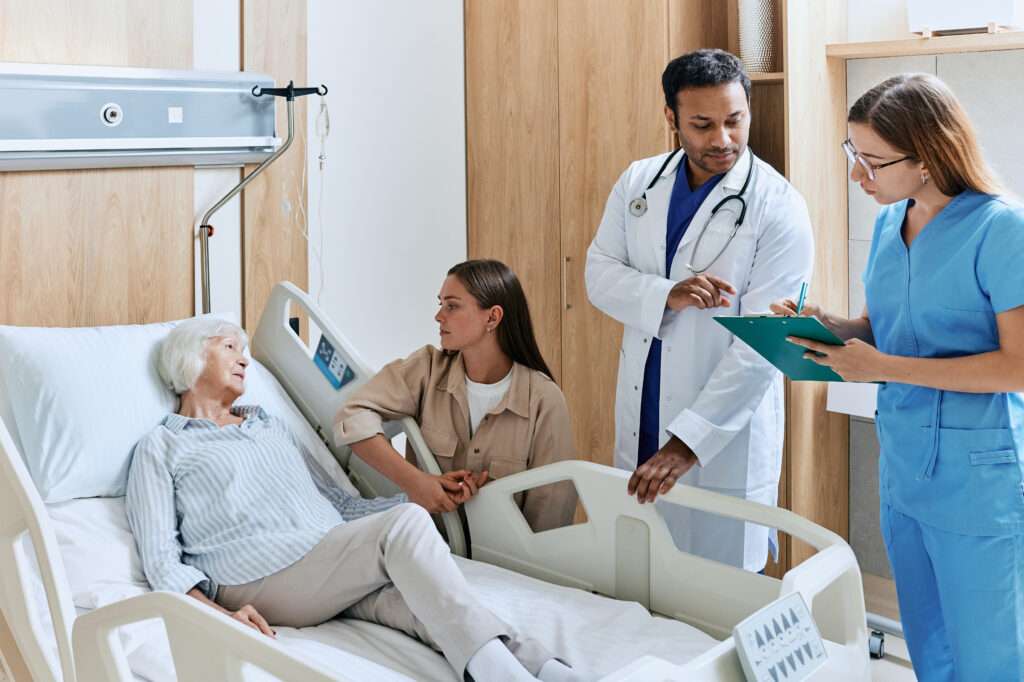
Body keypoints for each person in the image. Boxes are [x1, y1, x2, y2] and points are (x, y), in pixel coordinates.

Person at [126, 317, 584, 682]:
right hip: (252, 576)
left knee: (428, 603)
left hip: (323, 565)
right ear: (188, 356)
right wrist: (221, 616)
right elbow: (162, 560)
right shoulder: (163, 446)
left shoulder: (268, 425)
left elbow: (336, 504)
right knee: (403, 527)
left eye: (245, 350)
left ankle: (543, 669)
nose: (243, 359)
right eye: (229, 347)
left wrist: (424, 498)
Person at [775, 73, 1024, 681]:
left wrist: (882, 368)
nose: (859, 176)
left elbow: (1017, 366)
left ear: (928, 157)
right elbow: (890, 328)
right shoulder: (890, 224)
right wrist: (833, 326)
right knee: (929, 649)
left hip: (978, 481)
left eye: (873, 162)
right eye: (852, 154)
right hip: (906, 470)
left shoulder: (1003, 230)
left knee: (989, 660)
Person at [585, 48, 814, 571]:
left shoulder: (778, 206)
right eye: (702, 124)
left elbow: (766, 341)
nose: (723, 140)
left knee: (720, 584)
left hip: (721, 435)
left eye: (735, 121)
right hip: (645, 409)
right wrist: (666, 293)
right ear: (671, 118)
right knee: (642, 576)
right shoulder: (638, 182)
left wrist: (689, 444)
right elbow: (598, 275)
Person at [336, 259, 578, 533]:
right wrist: (415, 482)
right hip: (426, 546)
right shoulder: (425, 370)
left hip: (509, 566)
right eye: (441, 304)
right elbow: (352, 416)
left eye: (452, 306)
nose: (439, 316)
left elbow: (551, 513)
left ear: (492, 317)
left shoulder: (544, 400)